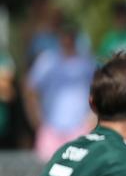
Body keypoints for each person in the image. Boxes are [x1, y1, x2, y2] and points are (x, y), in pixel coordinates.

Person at [24, 20, 96, 161]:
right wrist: (36, 119)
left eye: (70, 35)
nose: (67, 39)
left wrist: (93, 118)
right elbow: (30, 89)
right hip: (50, 132)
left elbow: (100, 92)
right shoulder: (47, 60)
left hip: (80, 131)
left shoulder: (88, 63)